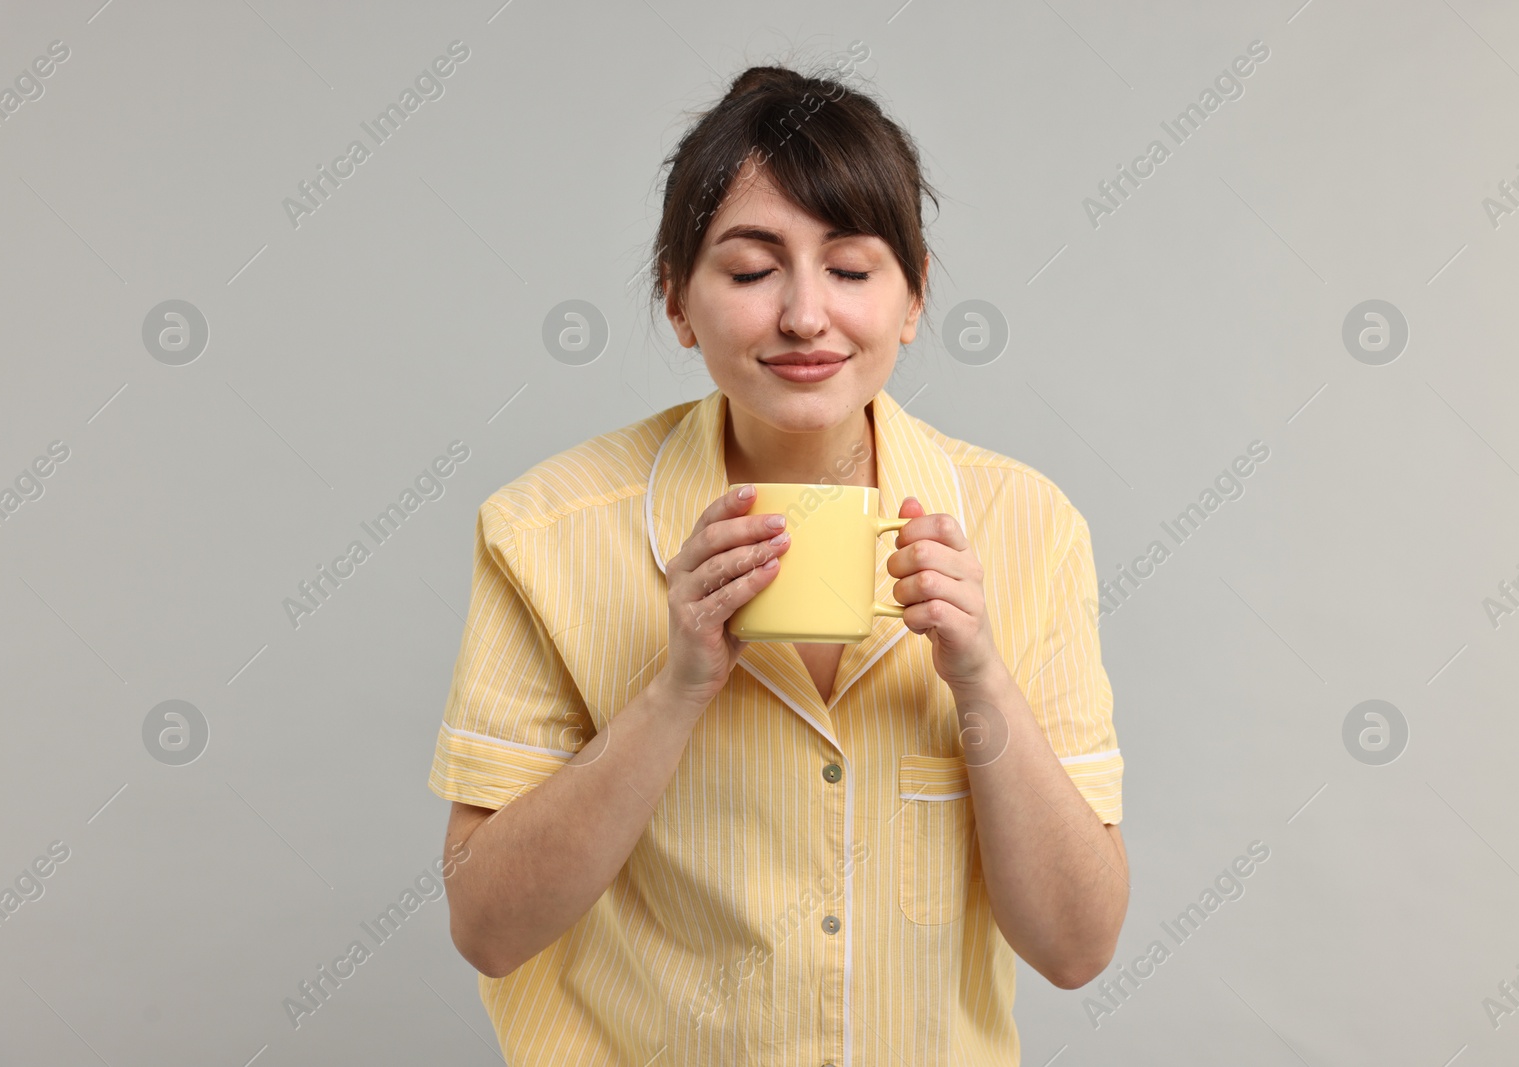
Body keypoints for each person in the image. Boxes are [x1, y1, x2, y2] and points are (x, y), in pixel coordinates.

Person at [427, 60, 1128, 1066]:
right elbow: (487, 928)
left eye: (850, 270)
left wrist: (979, 675)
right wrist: (676, 685)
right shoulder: (544, 531)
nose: (804, 315)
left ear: (914, 297)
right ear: (677, 303)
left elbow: (1076, 944)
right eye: (752, 271)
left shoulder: (1029, 525)